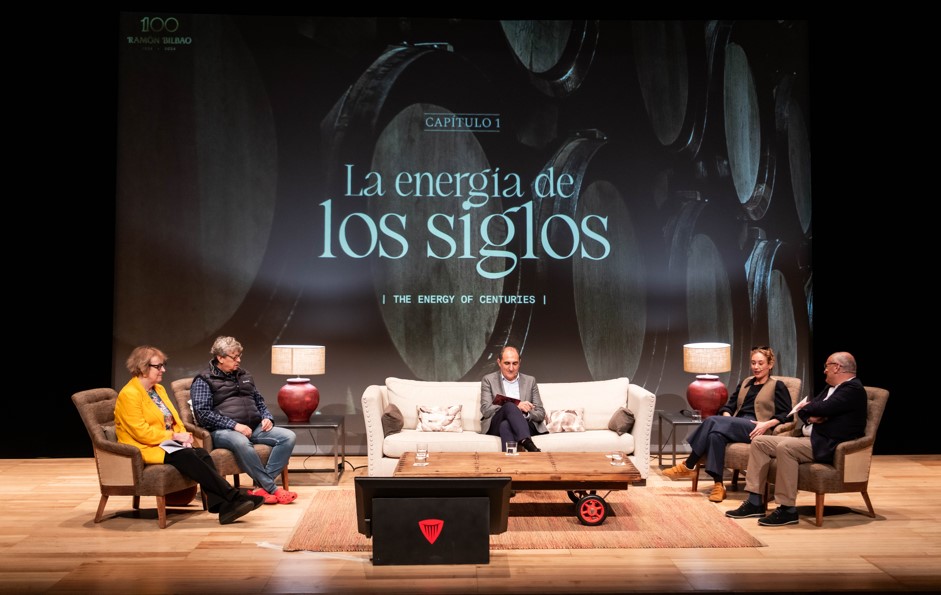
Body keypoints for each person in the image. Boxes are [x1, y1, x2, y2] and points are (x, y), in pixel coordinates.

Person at [114, 346, 263, 525]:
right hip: (144, 447)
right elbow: (141, 432)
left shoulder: (157, 390)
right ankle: (233, 497)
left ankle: (223, 507)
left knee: (201, 454)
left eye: (163, 365)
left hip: (164, 443)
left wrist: (184, 435)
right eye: (158, 366)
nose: (163, 369)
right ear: (142, 368)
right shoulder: (129, 395)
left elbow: (174, 419)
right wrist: (175, 438)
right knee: (186, 455)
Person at [726, 351, 868, 526]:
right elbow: (804, 409)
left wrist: (816, 411)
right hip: (811, 438)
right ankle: (755, 502)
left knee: (786, 447)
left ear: (837, 367)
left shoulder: (853, 389)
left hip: (828, 443)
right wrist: (813, 413)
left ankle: (787, 509)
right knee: (760, 441)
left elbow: (820, 408)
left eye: (827, 366)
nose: (824, 370)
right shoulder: (830, 387)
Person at [663, 346, 794, 503]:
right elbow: (729, 406)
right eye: (753, 363)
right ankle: (719, 485)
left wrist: (767, 424)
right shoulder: (746, 383)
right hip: (737, 424)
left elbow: (787, 414)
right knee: (714, 435)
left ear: (770, 364)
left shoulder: (777, 386)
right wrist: (726, 419)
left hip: (757, 427)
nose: (756, 367)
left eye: (760, 363)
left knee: (711, 420)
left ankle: (689, 464)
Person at [191, 336, 298, 505]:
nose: (239, 360)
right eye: (234, 357)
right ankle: (273, 488)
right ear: (220, 358)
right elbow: (202, 413)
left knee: (288, 436)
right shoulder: (204, 379)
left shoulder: (245, 375)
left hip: (254, 426)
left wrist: (266, 417)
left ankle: (262, 489)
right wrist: (234, 425)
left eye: (239, 356)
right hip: (223, 431)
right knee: (241, 442)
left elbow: (259, 400)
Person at [480, 345, 546, 453]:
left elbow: (541, 413)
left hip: (524, 423)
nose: (511, 368)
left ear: (520, 362)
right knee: (510, 406)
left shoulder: (530, 381)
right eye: (507, 363)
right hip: (496, 422)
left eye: (515, 363)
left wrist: (527, 413)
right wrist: (516, 405)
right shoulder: (488, 380)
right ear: (499, 362)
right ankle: (529, 445)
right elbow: (486, 410)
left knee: (506, 425)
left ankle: (510, 463)